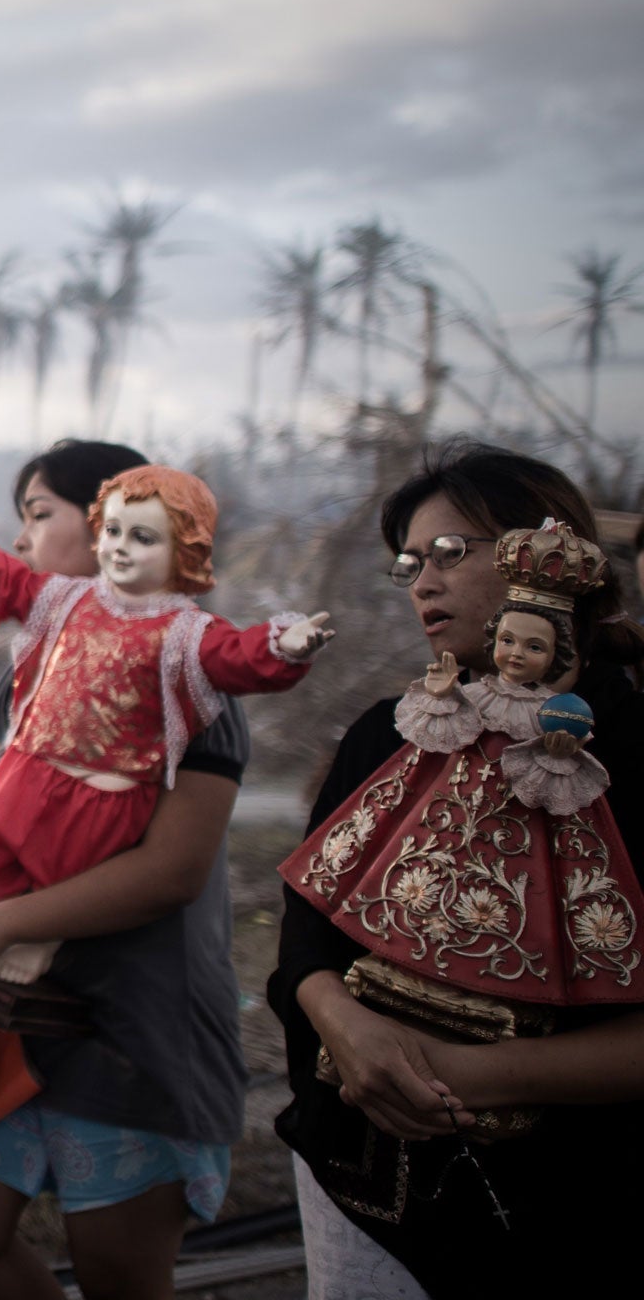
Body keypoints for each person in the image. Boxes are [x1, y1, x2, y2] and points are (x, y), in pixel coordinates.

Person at [268, 441, 644, 1297]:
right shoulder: (392, 730)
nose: (422, 583)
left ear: (548, 557)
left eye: (449, 553)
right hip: (354, 1170)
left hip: (574, 1204)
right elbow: (304, 931)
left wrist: (470, 1077)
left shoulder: (627, 749)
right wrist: (343, 1026)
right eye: (410, 563)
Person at [0, 440, 255, 1300]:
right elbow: (11, 812)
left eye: (39, 514)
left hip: (134, 1026)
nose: (21, 542)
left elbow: (169, 872)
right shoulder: (43, 660)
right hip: (23, 1014)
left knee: (120, 1275)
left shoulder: (190, 674)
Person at [0, 465, 331, 981]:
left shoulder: (185, 634)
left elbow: (237, 655)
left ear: (184, 550)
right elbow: (11, 584)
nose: (119, 547)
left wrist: (282, 646)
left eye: (143, 537)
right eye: (112, 531)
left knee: (64, 866)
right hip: (29, 767)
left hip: (102, 788)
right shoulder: (64, 599)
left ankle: (31, 934)